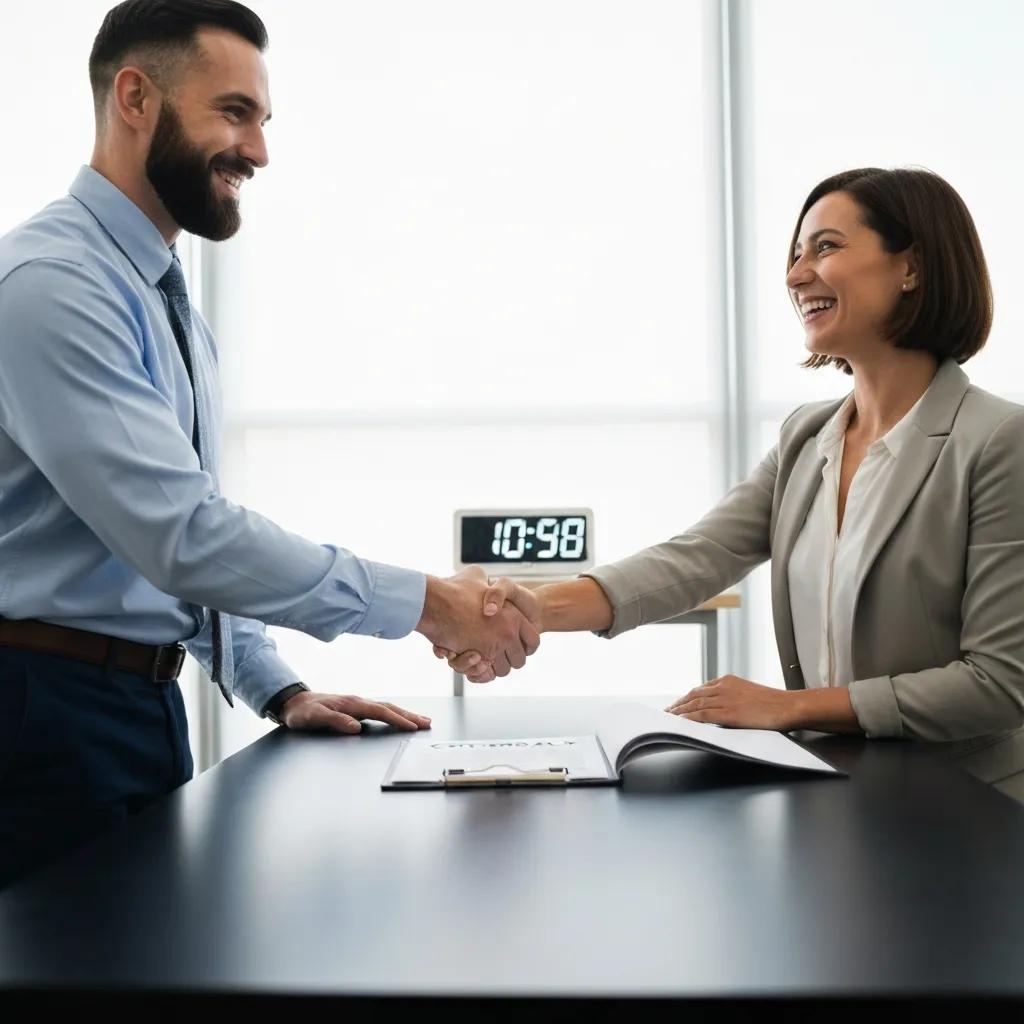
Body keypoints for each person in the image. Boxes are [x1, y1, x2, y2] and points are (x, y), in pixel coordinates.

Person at [0, 0, 539, 890]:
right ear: (135, 97)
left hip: (132, 705)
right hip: (45, 715)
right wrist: (428, 604)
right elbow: (182, 537)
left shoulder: (158, 298)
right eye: (234, 113)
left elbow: (181, 543)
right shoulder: (54, 287)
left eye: (262, 120)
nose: (258, 151)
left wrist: (276, 686)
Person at [442, 166, 1024, 802]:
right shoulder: (809, 437)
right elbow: (697, 558)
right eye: (795, 255)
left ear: (909, 268)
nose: (796, 275)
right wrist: (528, 608)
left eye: (826, 247)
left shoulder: (997, 442)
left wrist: (792, 707)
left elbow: (999, 683)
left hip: (967, 808)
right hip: (838, 798)